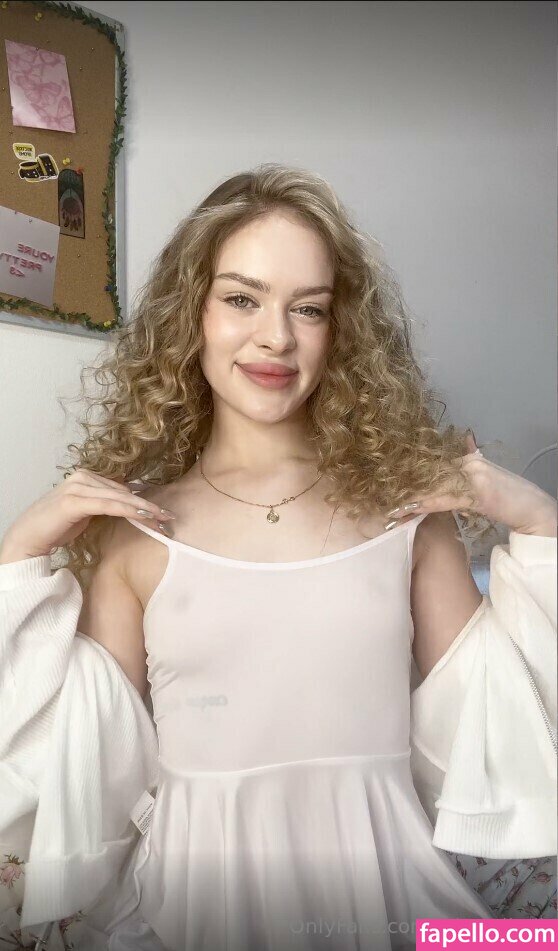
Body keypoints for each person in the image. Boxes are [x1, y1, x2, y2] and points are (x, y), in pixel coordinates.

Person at [0, 164, 556, 951]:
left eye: (309, 308)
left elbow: (507, 721)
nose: (276, 337)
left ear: (341, 331)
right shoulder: (137, 535)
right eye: (242, 298)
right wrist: (21, 550)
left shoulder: (408, 519)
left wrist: (536, 515)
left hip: (392, 905)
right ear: (191, 313)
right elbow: (72, 762)